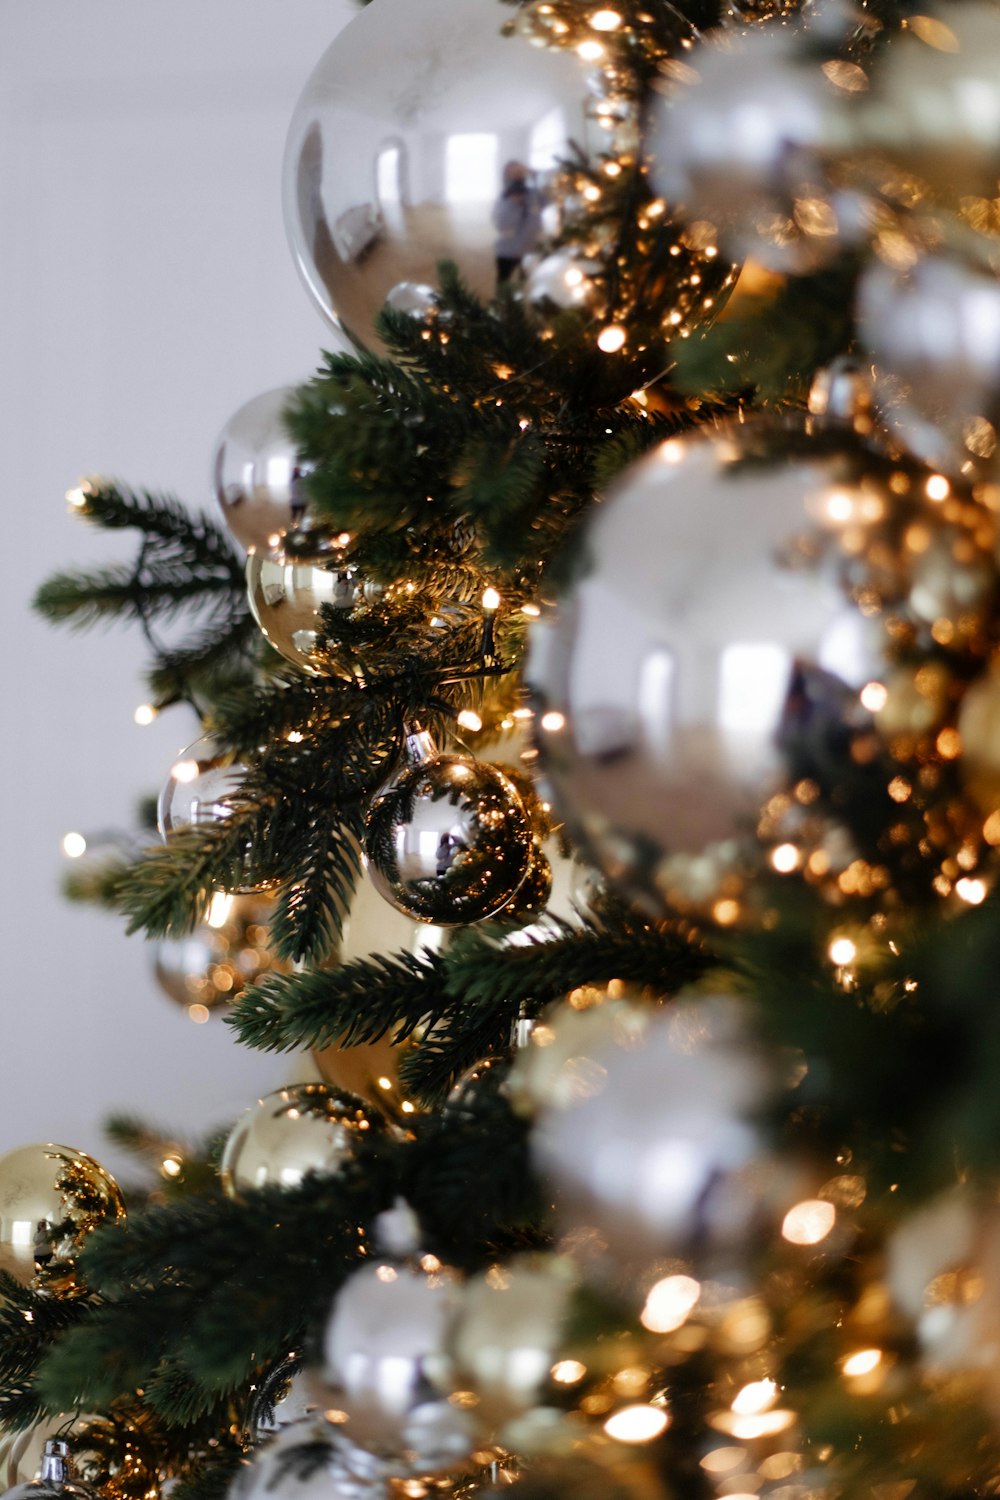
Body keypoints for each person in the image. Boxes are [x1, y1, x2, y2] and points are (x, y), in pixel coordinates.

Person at [493, 160, 543, 286]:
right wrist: (513, 205)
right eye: (512, 174)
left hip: (531, 249)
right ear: (506, 177)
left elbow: (549, 201)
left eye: (519, 172)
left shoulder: (534, 194)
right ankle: (503, 305)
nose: (517, 177)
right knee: (504, 285)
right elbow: (501, 224)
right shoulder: (504, 196)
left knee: (528, 285)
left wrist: (537, 177)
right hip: (508, 250)